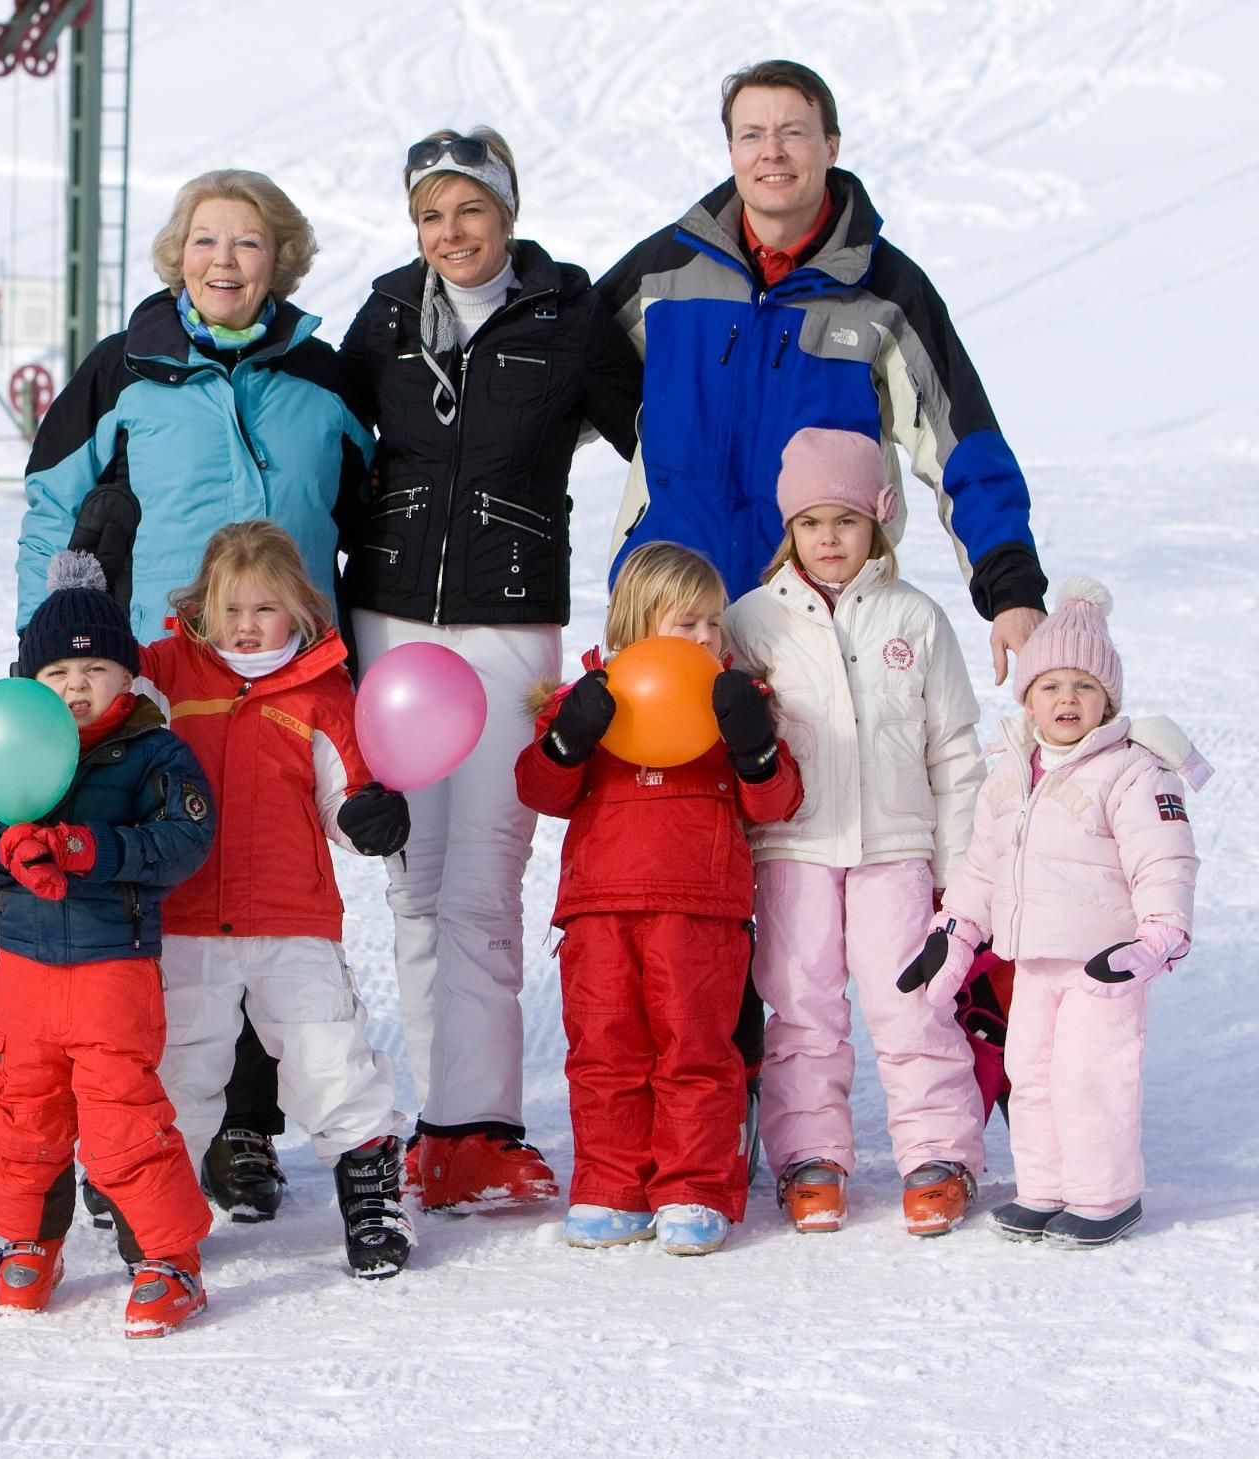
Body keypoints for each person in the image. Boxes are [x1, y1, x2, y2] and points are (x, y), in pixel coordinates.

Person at [18, 168, 373, 1220]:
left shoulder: (320, 374)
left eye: (249, 243)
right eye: (207, 241)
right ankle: (143, 1125)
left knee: (269, 890)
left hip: (288, 668)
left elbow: (370, 510)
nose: (225, 261)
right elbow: (52, 506)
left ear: (281, 259)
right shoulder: (123, 371)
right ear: (177, 255)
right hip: (161, 676)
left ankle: (247, 1134)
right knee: (172, 897)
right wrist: (54, 651)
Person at [335, 126, 638, 1211]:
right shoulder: (378, 319)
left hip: (509, 617)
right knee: (412, 879)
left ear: (506, 214)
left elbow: (654, 441)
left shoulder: (568, 318)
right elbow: (326, 444)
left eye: (468, 210)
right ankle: (438, 1127)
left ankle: (482, 1122)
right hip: (387, 620)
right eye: (429, 213)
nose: (448, 233)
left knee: (485, 877)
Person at [591, 59, 1048, 687]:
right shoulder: (664, 272)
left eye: (793, 132)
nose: (771, 152)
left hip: (816, 623)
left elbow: (961, 442)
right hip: (670, 612)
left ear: (831, 145)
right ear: (730, 149)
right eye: (752, 134)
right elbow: (550, 385)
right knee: (652, 787)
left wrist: (1010, 586)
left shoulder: (886, 291)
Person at [725, 428, 988, 1236]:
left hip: (895, 850)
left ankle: (940, 1153)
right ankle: (810, 1158)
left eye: (845, 519)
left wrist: (964, 872)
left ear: (878, 520)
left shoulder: (916, 616)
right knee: (801, 1004)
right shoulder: (751, 621)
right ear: (789, 529)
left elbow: (954, 750)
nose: (829, 538)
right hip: (794, 850)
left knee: (913, 999)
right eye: (810, 522)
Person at [135, 521, 414, 1279]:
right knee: (181, 1065)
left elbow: (343, 795)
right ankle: (159, 1206)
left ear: (297, 607)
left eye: (264, 608)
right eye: (230, 609)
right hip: (187, 915)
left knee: (330, 1055)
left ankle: (370, 1191)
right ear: (202, 607)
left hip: (293, 916)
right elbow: (95, 709)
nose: (246, 626)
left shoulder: (324, 689)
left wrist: (366, 818)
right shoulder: (165, 673)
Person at [0, 554, 217, 1336]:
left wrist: (88, 850)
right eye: (59, 670)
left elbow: (185, 839)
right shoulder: (10, 750)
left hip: (112, 971)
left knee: (123, 1122)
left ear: (127, 677)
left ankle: (170, 1260)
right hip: (25, 977)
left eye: (95, 667)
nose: (76, 685)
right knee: (18, 1115)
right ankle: (29, 1241)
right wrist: (8, 850)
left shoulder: (152, 753)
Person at [900, 580, 1205, 1248]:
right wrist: (954, 931)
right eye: (1050, 685)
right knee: (1030, 1072)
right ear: (1027, 696)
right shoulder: (1010, 772)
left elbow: (1164, 859)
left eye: (1083, 686)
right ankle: (1045, 1187)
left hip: (1104, 965)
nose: (1066, 699)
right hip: (1032, 960)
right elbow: (982, 868)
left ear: (1108, 700)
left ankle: (1105, 1195)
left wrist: (1158, 936)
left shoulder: (1133, 771)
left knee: (1090, 1076)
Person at [516, 543, 802, 1256]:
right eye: (688, 624)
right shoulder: (591, 700)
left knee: (695, 1050)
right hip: (600, 909)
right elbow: (540, 789)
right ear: (639, 626)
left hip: (698, 908)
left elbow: (776, 800)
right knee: (604, 1051)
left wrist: (754, 745)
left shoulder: (733, 701)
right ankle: (611, 1187)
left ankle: (694, 1186)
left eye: (714, 623)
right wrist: (567, 736)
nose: (708, 638)